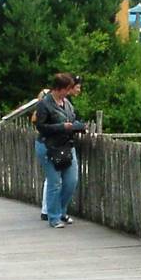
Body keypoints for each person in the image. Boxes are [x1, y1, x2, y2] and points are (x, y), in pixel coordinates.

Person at [33, 72, 84, 229]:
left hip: (66, 145)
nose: (68, 93)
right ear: (59, 88)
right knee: (54, 182)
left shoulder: (67, 103)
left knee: (71, 180)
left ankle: (61, 210)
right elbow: (40, 126)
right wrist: (62, 127)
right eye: (66, 89)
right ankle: (53, 216)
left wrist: (77, 126)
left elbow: (72, 118)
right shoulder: (44, 104)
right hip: (48, 146)